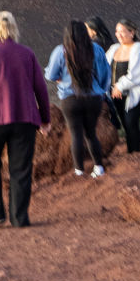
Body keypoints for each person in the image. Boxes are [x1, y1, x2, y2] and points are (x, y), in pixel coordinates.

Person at [0, 10, 51, 228]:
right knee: (21, 169)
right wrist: (45, 118)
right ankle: (19, 218)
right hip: (25, 119)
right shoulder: (28, 54)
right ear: (14, 28)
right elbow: (40, 89)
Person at [46, 20, 110, 177]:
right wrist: (100, 90)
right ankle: (99, 167)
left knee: (76, 135)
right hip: (93, 98)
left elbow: (50, 75)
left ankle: (79, 170)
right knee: (91, 134)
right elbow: (105, 75)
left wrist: (61, 79)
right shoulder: (97, 50)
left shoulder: (60, 51)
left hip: (70, 99)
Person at [106, 18, 140, 153]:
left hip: (135, 94)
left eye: (122, 31)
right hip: (116, 95)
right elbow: (104, 67)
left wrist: (120, 86)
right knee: (126, 125)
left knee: (131, 122)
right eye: (116, 31)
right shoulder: (114, 49)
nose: (118, 34)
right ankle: (131, 154)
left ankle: (135, 154)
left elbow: (139, 74)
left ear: (132, 32)